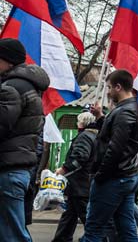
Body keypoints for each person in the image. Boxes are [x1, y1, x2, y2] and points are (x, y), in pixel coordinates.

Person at [80, 69, 138, 242]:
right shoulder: (129, 109)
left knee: (93, 228)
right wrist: (101, 117)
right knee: (126, 228)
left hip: (114, 178)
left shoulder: (125, 112)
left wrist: (100, 175)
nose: (107, 92)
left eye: (109, 87)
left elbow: (116, 148)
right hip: (126, 175)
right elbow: (116, 137)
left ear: (118, 87)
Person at [0, 38, 50, 241]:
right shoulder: (28, 87)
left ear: (7, 61)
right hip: (18, 168)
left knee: (13, 235)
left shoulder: (11, 87)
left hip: (8, 169)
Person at [52, 111, 99, 242]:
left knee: (87, 217)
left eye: (78, 121)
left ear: (82, 123)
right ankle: (61, 239)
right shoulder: (94, 136)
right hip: (81, 184)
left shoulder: (84, 136)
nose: (77, 123)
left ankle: (99, 239)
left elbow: (80, 157)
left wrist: (64, 169)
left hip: (80, 183)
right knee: (69, 215)